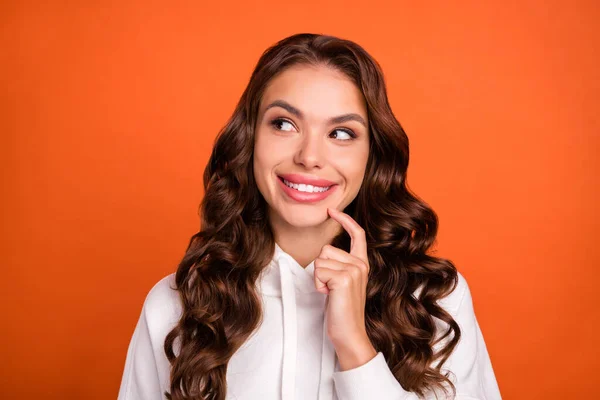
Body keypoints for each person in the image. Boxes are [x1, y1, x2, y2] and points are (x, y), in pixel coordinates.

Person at [117, 33, 502, 400]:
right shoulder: (176, 304)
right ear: (249, 139)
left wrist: (355, 346)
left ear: (373, 157)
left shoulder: (433, 300)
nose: (309, 156)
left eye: (341, 133)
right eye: (284, 124)